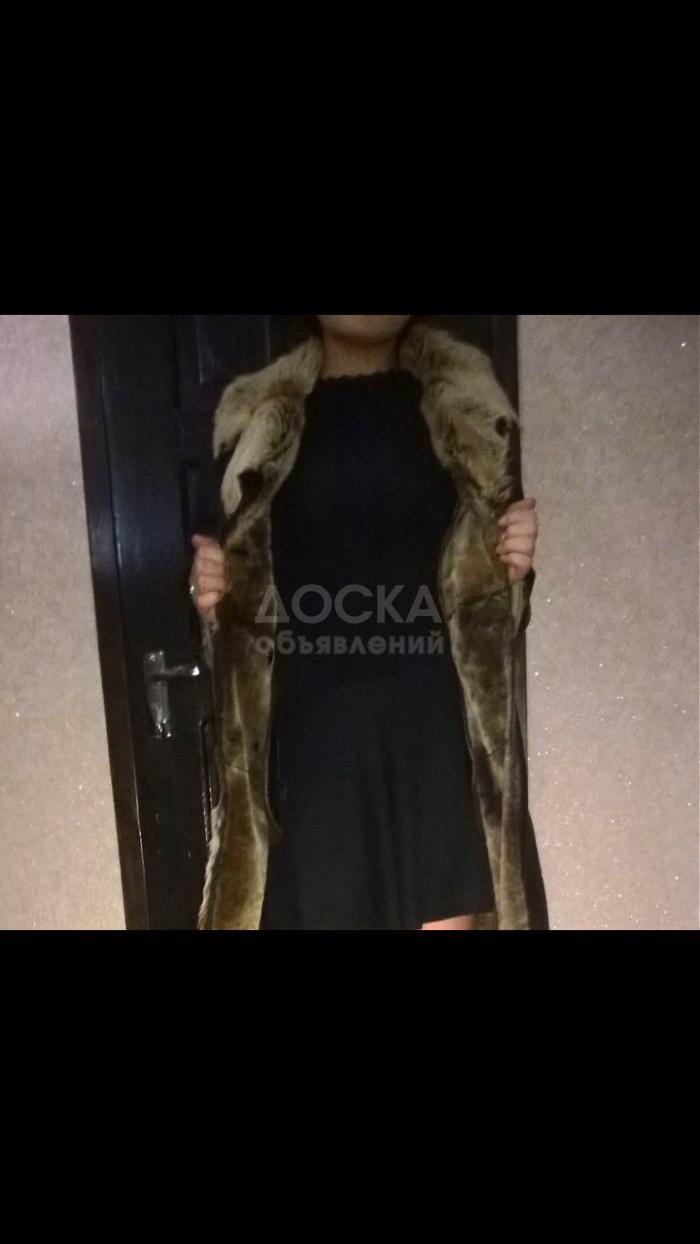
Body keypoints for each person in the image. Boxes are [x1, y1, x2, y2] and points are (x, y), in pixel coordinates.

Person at [190, 315, 539, 930]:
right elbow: (250, 612)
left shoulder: (461, 410)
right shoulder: (258, 425)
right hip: (317, 747)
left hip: (432, 737)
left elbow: (483, 616)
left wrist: (509, 567)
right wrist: (215, 597)